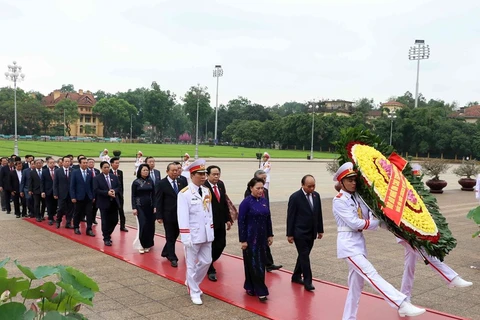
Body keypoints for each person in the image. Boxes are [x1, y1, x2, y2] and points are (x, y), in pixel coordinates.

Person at [333, 162, 425, 319]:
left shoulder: (358, 198)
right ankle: (401, 304)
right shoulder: (339, 200)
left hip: (358, 243)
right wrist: (375, 222)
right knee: (371, 274)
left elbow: (370, 216)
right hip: (348, 245)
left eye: (355, 180)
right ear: (341, 182)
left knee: (356, 286)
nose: (353, 183)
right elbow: (356, 223)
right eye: (349, 180)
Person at [177, 159, 214, 305]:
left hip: (206, 233)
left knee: (207, 261)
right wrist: (185, 236)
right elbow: (183, 216)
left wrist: (211, 230)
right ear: (192, 175)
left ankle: (193, 282)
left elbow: (208, 213)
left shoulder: (206, 190)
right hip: (192, 234)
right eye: (200, 174)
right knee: (191, 265)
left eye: (204, 174)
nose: (204, 177)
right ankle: (194, 291)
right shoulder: (184, 193)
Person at [397, 237, 472, 301]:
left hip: (409, 232)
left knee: (409, 266)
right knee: (425, 254)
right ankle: (451, 278)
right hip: (403, 232)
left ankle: (404, 298)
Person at [286, 174, 324, 291]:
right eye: (309, 186)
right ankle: (308, 281)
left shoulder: (316, 196)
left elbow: (318, 214)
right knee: (304, 256)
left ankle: (296, 276)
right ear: (302, 185)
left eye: (313, 186)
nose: (312, 189)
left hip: (311, 232)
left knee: (304, 255)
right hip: (299, 232)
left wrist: (320, 230)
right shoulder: (295, 197)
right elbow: (291, 216)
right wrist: (290, 234)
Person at [238, 177, 273, 302]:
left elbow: (268, 218)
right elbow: (241, 222)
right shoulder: (246, 203)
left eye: (262, 188)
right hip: (250, 238)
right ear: (251, 188)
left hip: (262, 238)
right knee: (253, 264)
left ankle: (250, 286)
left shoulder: (264, 201)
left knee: (260, 264)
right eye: (257, 188)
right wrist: (243, 240)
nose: (260, 190)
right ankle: (261, 290)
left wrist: (270, 234)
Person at [244, 169, 283, 272]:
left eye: (265, 179)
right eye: (262, 179)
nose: (264, 181)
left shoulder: (265, 191)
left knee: (266, 245)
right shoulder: (249, 193)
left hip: (264, 222)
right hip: (254, 225)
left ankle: (269, 264)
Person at [204, 165, 233, 281]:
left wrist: (227, 219)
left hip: (220, 221)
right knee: (210, 246)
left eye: (218, 174)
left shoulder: (220, 185)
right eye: (214, 174)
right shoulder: (204, 187)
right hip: (209, 223)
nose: (216, 176)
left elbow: (224, 203)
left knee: (221, 244)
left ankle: (207, 262)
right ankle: (209, 268)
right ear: (207, 175)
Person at [156, 162, 188, 267]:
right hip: (168, 214)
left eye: (177, 170)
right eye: (173, 170)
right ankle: (172, 257)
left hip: (180, 215)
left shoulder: (182, 181)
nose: (175, 172)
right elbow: (159, 200)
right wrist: (159, 216)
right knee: (170, 236)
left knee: (175, 234)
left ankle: (166, 251)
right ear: (167, 171)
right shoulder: (161, 183)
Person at [94, 161, 120, 246]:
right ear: (101, 168)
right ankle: (106, 238)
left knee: (115, 220)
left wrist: (114, 191)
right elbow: (96, 190)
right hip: (103, 202)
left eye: (108, 167)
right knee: (105, 221)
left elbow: (118, 187)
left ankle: (108, 233)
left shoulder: (114, 177)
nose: (107, 169)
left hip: (114, 202)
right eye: (105, 167)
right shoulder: (97, 178)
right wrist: (106, 193)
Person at [132, 163, 156, 254]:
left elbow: (154, 195)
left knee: (150, 226)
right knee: (143, 224)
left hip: (150, 206)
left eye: (147, 170)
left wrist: (155, 206)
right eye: (144, 170)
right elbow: (133, 195)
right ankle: (141, 244)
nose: (146, 172)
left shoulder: (151, 181)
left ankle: (148, 244)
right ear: (140, 171)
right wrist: (134, 207)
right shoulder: (136, 182)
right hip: (140, 206)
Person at [70, 157, 95, 236]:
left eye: (86, 163)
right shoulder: (75, 172)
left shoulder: (90, 172)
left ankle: (89, 229)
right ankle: (76, 227)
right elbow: (72, 186)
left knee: (89, 213)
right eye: (83, 163)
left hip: (88, 197)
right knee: (77, 213)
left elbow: (92, 185)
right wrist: (73, 196)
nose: (85, 164)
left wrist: (93, 196)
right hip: (78, 196)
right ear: (80, 164)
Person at [54, 156, 74, 229]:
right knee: (61, 208)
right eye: (66, 161)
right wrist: (55, 193)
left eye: (69, 161)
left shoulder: (73, 171)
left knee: (70, 209)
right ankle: (58, 221)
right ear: (62, 162)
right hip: (61, 193)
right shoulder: (58, 171)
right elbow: (55, 183)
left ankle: (68, 223)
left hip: (71, 194)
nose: (67, 163)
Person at [110, 157, 128, 232]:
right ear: (111, 164)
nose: (117, 164)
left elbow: (121, 185)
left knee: (121, 211)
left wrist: (121, 194)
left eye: (118, 163)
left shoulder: (120, 172)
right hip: (112, 195)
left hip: (119, 195)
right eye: (116, 163)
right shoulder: (109, 172)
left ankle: (122, 226)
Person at [41, 157, 58, 225]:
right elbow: (42, 182)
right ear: (47, 163)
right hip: (48, 191)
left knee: (55, 205)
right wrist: (42, 191)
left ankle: (53, 215)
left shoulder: (57, 170)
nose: (52, 164)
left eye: (53, 163)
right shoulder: (44, 171)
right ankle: (50, 218)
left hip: (56, 191)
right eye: (50, 163)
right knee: (49, 205)